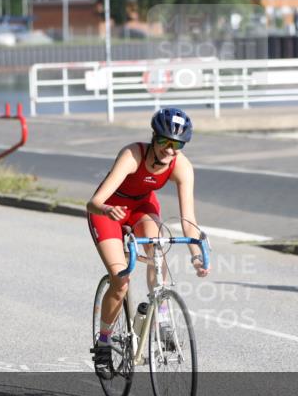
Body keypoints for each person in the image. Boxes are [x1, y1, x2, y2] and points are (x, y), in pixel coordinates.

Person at [86, 107, 209, 377]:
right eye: (164, 141)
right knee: (121, 279)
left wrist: (196, 254)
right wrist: (107, 211)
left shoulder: (182, 166)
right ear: (154, 136)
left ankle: (161, 316)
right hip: (109, 210)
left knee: (157, 252)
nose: (169, 149)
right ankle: (104, 343)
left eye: (176, 144)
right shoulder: (132, 155)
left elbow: (188, 219)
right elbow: (94, 202)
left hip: (142, 208)